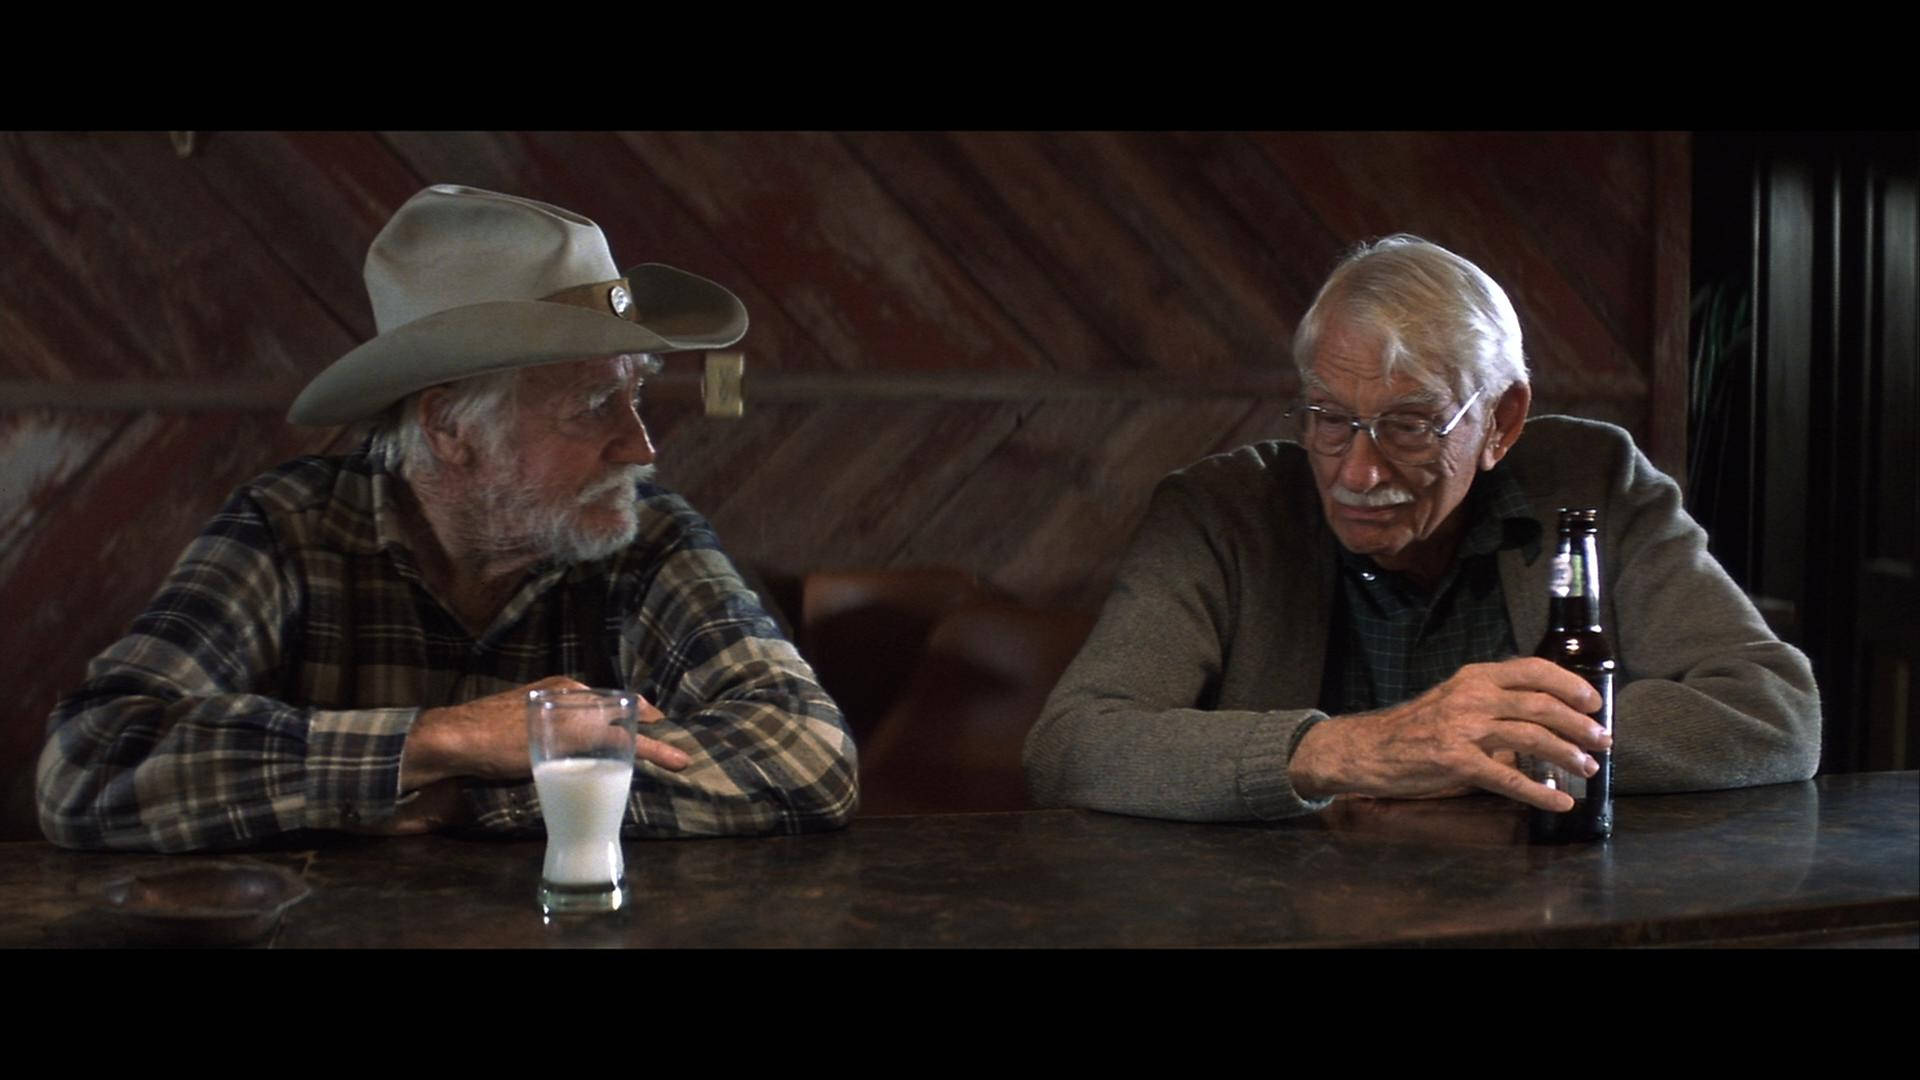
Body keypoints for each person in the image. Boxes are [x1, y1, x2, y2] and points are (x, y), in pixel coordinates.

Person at [38, 185, 857, 851]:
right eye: (595, 405)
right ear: (451, 426)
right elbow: (90, 763)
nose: (640, 447)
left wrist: (468, 800)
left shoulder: (647, 537)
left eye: (635, 394)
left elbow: (806, 755)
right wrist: (433, 742)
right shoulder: (288, 528)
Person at [1025, 234, 1820, 822]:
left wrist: (1492, 742)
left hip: (1539, 917)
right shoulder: (1219, 512)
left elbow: (1772, 711)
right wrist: (1348, 752)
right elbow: (1075, 743)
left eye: (1409, 426)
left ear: (1503, 420)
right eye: (1330, 420)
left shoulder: (1592, 485)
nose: (1357, 473)